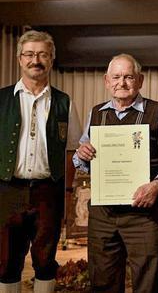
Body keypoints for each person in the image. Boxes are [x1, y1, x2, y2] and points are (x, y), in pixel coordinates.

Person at [73, 53, 158, 293]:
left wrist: (157, 184)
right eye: (116, 77)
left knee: (146, 281)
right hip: (103, 212)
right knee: (102, 279)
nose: (122, 83)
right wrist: (81, 155)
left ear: (140, 80)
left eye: (128, 77)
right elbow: (82, 159)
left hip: (144, 212)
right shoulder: (96, 113)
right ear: (106, 81)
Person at [0, 30, 81, 293]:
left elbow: (72, 151)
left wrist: (68, 192)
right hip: (7, 189)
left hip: (49, 190)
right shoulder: (0, 100)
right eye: (30, 54)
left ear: (51, 59)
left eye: (43, 54)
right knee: (5, 261)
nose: (36, 60)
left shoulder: (64, 102)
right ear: (19, 59)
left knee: (45, 260)